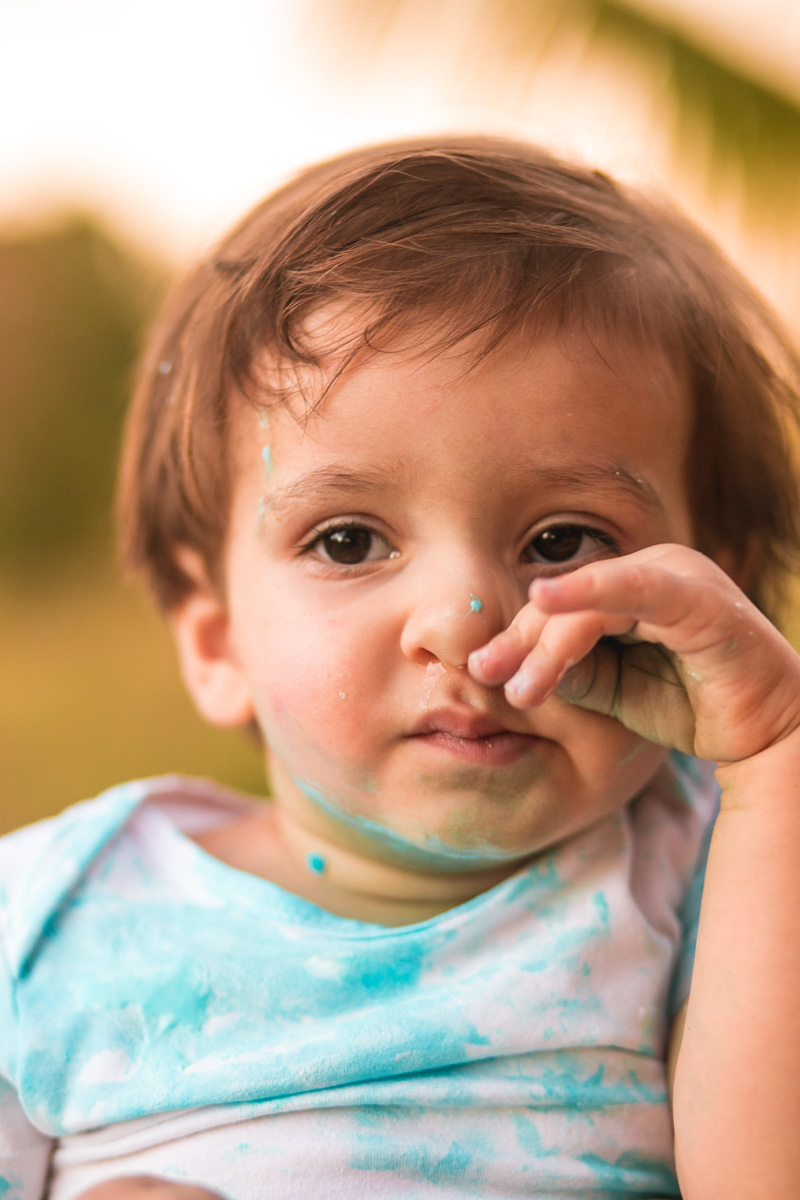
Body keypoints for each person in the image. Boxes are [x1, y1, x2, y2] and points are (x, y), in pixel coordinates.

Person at [2, 136, 800, 1200]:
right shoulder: (50, 917)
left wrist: (772, 753)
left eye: (562, 541)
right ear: (215, 642)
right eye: (346, 541)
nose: (466, 626)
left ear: (709, 597)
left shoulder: (712, 873)